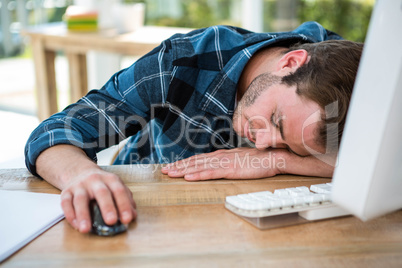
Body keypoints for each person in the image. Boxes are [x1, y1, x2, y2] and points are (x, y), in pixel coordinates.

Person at [25, 21, 363, 233]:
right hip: (154, 217)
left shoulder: (346, 77)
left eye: (287, 144)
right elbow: (55, 132)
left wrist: (276, 161)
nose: (263, 144)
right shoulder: (180, 62)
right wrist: (81, 175)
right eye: (276, 120)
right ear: (290, 62)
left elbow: (379, 162)